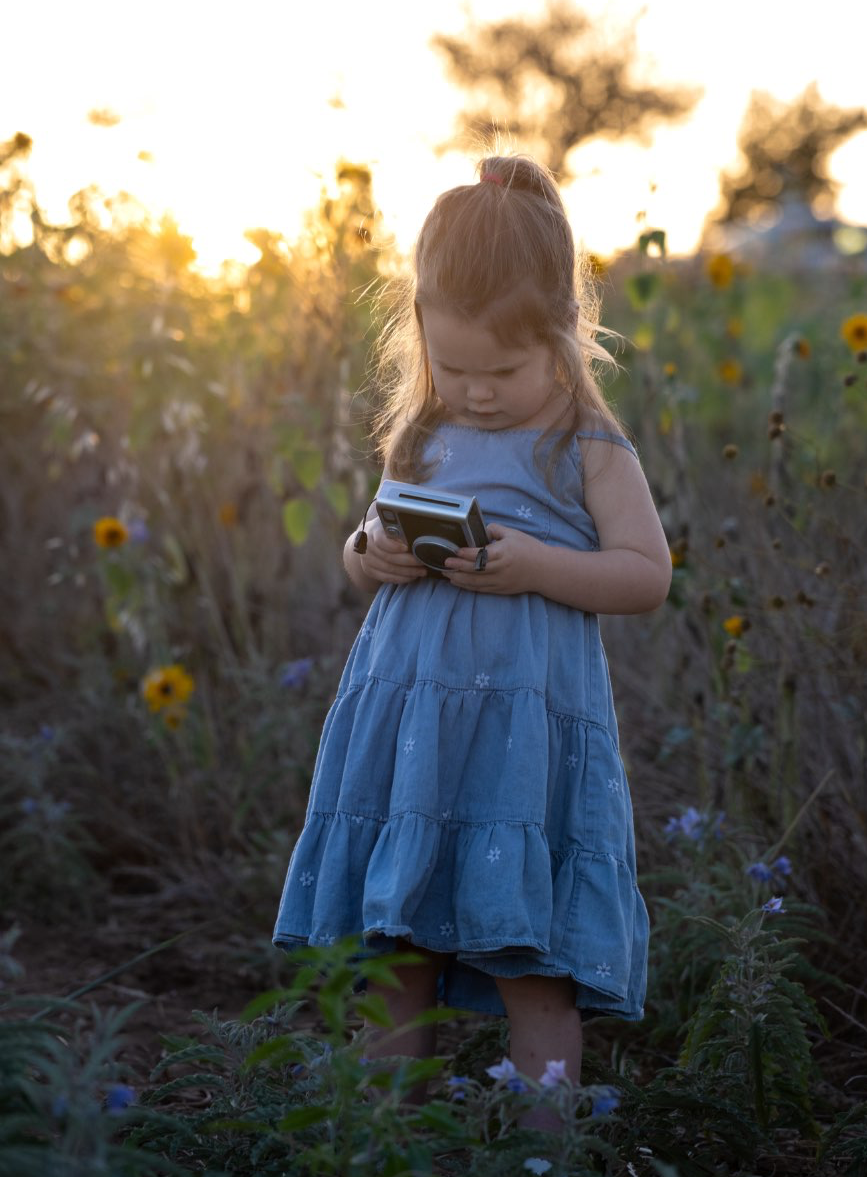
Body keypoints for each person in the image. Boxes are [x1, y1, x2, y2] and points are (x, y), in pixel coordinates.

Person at [273, 153, 671, 1125]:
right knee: (395, 951)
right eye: (453, 367)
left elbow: (646, 574)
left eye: (503, 369)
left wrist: (537, 563)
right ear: (421, 340)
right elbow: (361, 548)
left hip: (520, 748)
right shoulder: (422, 434)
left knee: (531, 959)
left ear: (565, 336)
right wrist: (372, 551)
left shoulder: (583, 446)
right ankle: (383, 1140)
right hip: (412, 735)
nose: (478, 391)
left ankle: (543, 1145)